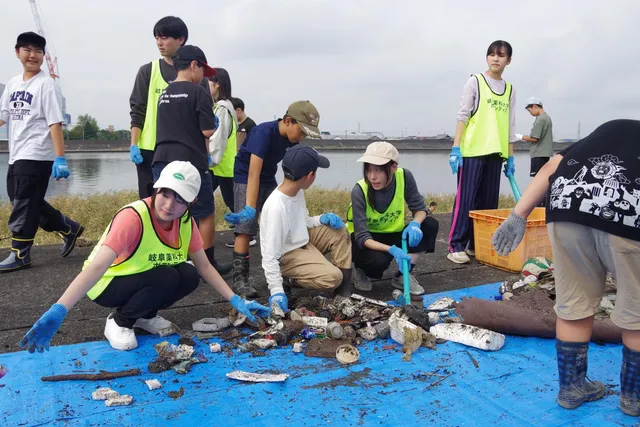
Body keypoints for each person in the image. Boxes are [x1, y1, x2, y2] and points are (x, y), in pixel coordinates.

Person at [18, 161, 270, 352]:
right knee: (166, 276)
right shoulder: (133, 216)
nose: (169, 205)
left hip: (144, 278)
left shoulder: (185, 222)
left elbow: (205, 266)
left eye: (180, 199)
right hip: (107, 283)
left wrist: (238, 300)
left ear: (191, 202)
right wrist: (60, 309)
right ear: (156, 188)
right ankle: (119, 321)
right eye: (166, 193)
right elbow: (95, 268)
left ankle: (144, 315)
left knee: (189, 274)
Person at [491, 119, 640, 416]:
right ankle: (633, 398)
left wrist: (518, 215)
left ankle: (571, 390)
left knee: (574, 300)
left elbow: (549, 169)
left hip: (567, 207)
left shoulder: (599, 136)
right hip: (627, 212)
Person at [0, 32, 83, 272]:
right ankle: (69, 227)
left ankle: (20, 253)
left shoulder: (46, 85)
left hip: (37, 153)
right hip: (16, 153)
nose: (32, 55)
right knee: (22, 200)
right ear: (17, 52)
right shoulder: (14, 83)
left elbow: (55, 122)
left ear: (43, 56)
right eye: (27, 50)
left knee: (24, 205)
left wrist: (60, 158)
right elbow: (3, 116)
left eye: (37, 51)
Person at [224, 101, 322, 297]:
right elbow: (253, 172)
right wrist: (250, 208)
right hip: (246, 176)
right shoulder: (263, 133)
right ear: (287, 121)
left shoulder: (292, 141)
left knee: (282, 222)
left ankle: (283, 274)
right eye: (301, 131)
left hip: (268, 176)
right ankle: (240, 279)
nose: (302, 137)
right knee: (245, 228)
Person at [150, 45, 231, 275]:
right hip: (190, 161)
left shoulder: (164, 94)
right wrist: (213, 125)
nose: (204, 77)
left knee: (167, 211)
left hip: (162, 160)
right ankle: (208, 266)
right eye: (203, 71)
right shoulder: (198, 93)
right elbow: (207, 132)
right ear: (193, 65)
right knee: (204, 213)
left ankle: (169, 262)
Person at [447, 40, 517, 264]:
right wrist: (456, 148)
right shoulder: (475, 82)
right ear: (487, 57)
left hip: (496, 153)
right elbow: (463, 116)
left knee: (488, 204)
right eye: (492, 54)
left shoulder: (509, 89)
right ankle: (456, 245)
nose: (496, 58)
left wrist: (510, 157)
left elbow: (510, 126)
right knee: (466, 200)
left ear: (509, 60)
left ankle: (475, 245)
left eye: (501, 55)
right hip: (472, 151)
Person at [261, 145, 353, 312]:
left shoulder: (296, 190)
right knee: (333, 277)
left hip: (301, 241)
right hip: (286, 255)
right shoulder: (276, 207)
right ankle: (288, 280)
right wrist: (276, 290)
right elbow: (269, 256)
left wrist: (322, 219)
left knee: (340, 231)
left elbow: (304, 221)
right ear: (309, 175)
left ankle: (342, 293)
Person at [128, 16, 209, 199]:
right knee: (151, 202)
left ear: (180, 39)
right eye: (156, 38)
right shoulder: (148, 71)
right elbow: (137, 110)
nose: (159, 43)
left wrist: (207, 150)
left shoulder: (197, 76)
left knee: (187, 202)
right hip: (150, 150)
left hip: (186, 149)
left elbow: (204, 119)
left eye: (164, 38)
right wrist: (134, 144)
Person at [346, 141, 439, 295]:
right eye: (368, 170)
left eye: (378, 170)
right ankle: (360, 270)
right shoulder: (359, 190)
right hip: (366, 240)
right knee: (378, 263)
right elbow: (362, 237)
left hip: (393, 233)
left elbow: (420, 209)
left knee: (429, 225)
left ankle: (402, 276)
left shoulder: (404, 177)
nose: (372, 177)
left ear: (393, 167)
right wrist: (391, 250)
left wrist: (415, 224)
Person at [226, 96, 258, 248]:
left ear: (238, 110)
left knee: (242, 202)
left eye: (232, 111)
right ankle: (241, 229)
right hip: (232, 167)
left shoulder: (250, 125)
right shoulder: (234, 125)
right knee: (232, 199)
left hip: (245, 170)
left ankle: (247, 235)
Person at [208, 68, 237, 214]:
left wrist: (208, 159)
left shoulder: (222, 108)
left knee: (233, 202)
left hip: (222, 165)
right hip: (220, 167)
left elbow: (218, 140)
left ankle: (247, 234)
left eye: (208, 81)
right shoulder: (222, 106)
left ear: (217, 84)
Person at [516, 96, 554, 177]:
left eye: (530, 111)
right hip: (545, 154)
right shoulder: (547, 117)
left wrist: (520, 137)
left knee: (537, 178)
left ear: (534, 106)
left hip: (538, 154)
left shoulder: (540, 119)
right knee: (542, 178)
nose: (530, 113)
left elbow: (535, 138)